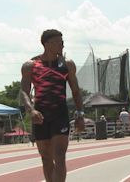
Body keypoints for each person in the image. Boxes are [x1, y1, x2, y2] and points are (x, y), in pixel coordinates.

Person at [20, 29, 85, 182]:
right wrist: (31, 110)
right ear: (47, 44)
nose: (62, 44)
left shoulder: (67, 65)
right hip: (40, 115)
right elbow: (24, 92)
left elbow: (76, 91)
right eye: (58, 42)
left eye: (63, 42)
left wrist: (80, 114)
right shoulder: (30, 65)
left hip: (60, 114)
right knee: (46, 158)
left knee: (60, 156)